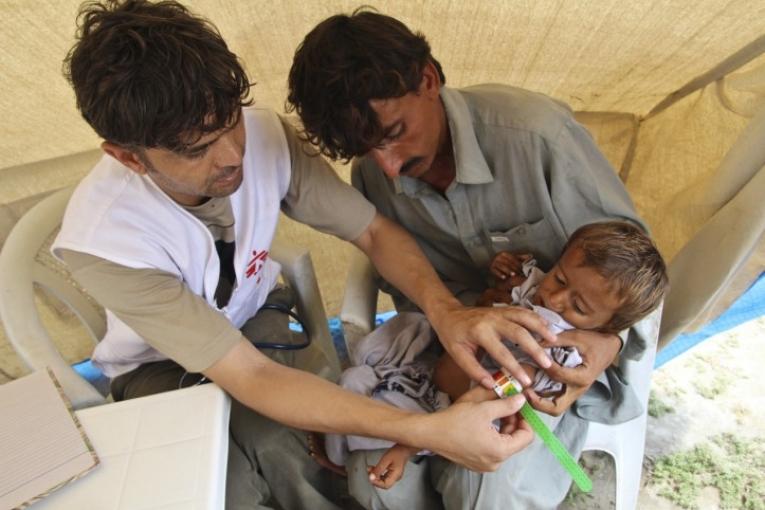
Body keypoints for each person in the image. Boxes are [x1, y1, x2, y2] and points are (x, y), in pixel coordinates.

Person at [50, 2, 564, 509]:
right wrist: (426, 430)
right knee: (225, 487)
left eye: (229, 121)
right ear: (127, 156)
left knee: (302, 451)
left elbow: (375, 233)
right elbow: (249, 376)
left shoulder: (265, 136)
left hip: (256, 316)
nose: (232, 156)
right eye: (194, 148)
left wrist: (446, 311)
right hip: (158, 364)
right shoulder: (104, 242)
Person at [287, 9, 662, 509]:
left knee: (482, 479)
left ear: (428, 79)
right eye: (365, 150)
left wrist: (606, 343)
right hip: (449, 354)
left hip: (544, 362)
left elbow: (632, 267)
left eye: (395, 131)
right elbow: (412, 294)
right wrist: (468, 314)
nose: (389, 168)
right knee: (374, 480)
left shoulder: (538, 138)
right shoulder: (374, 175)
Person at [358, 221, 668, 491]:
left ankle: (412, 445)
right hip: (432, 371)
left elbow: (501, 388)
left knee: (480, 397)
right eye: (560, 278)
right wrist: (502, 268)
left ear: (607, 326)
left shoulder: (564, 351)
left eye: (580, 307)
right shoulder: (535, 283)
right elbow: (507, 285)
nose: (555, 298)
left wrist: (408, 443)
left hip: (463, 410)